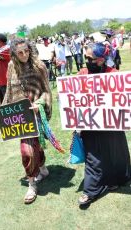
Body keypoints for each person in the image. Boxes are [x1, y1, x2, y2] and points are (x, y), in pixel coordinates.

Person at [77, 42, 131, 207]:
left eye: (89, 58)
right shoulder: (82, 73)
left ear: (101, 60)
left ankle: (117, 179)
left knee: (115, 153)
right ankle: (91, 190)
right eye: (85, 57)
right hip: (91, 124)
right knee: (93, 156)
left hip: (111, 124)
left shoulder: (113, 74)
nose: (86, 60)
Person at [2, 38, 52, 204]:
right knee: (30, 148)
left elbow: (46, 91)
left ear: (30, 49)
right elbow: (9, 91)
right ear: (14, 54)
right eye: (20, 52)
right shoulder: (11, 66)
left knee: (29, 150)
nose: (24, 55)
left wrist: (39, 104)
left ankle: (32, 184)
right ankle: (41, 171)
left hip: (35, 114)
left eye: (26, 51)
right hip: (20, 116)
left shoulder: (39, 66)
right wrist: (2, 111)